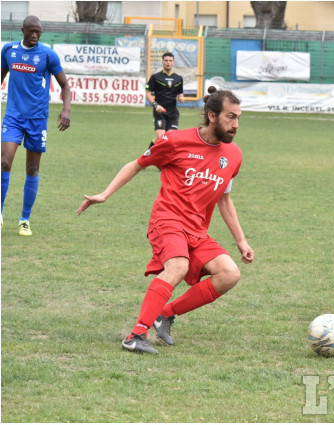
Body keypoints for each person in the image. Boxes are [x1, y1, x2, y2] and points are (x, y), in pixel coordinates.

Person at [76, 87, 254, 354]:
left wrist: (241, 240)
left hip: (196, 230)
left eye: (239, 118)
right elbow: (137, 164)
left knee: (229, 274)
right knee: (178, 266)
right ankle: (135, 335)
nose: (236, 125)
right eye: (231, 117)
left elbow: (224, 198)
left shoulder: (234, 155)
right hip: (167, 219)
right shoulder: (175, 141)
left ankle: (165, 315)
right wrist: (105, 193)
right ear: (212, 116)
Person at [1, 15, 71, 236]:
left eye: (38, 32)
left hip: (37, 120)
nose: (34, 35)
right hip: (13, 116)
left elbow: (65, 85)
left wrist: (66, 110)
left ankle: (24, 219)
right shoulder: (9, 51)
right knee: (4, 162)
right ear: (22, 30)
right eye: (30, 31)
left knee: (32, 169)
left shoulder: (48, 55)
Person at [145, 52, 185, 149]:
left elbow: (180, 93)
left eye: (170, 61)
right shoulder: (155, 77)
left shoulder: (178, 78)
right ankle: (148, 155)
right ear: (162, 62)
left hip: (173, 112)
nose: (168, 63)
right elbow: (148, 93)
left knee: (171, 139)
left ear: (173, 62)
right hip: (160, 111)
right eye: (166, 60)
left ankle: (153, 155)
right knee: (160, 138)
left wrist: (181, 97)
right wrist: (155, 105)